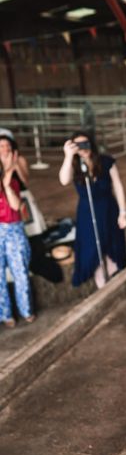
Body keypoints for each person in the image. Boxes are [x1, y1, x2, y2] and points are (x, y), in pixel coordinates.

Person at [59, 132, 126, 288]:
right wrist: (68, 155)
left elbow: (117, 186)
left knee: (113, 249)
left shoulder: (106, 161)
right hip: (87, 213)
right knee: (93, 252)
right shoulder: (74, 166)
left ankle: (115, 284)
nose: (83, 148)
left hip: (108, 209)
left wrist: (123, 212)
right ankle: (102, 288)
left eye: (86, 143)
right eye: (79, 145)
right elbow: (64, 180)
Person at [0, 135, 35, 327]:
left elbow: (25, 183)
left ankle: (26, 310)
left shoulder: (17, 163)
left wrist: (13, 166)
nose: (4, 149)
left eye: (6, 145)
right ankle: (5, 315)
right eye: (0, 146)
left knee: (20, 270)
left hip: (14, 225)